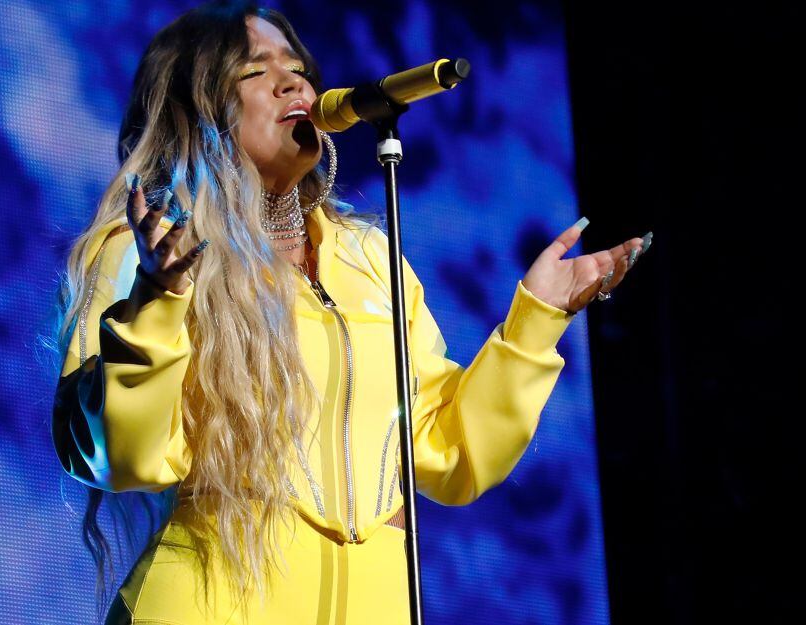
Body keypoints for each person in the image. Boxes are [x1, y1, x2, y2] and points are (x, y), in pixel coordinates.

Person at [49, 2, 651, 623]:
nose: (293, 84)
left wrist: (537, 319)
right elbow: (118, 453)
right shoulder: (152, 249)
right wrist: (158, 297)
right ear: (197, 111)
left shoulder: (370, 260)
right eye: (254, 71)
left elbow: (451, 450)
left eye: (298, 69)